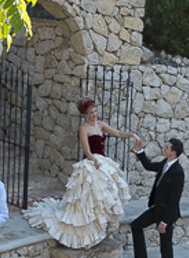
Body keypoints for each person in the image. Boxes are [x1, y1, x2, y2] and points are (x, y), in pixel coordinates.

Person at [24, 99, 137, 249]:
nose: (94, 115)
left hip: (102, 161)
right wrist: (94, 162)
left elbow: (116, 133)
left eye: (95, 111)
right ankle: (87, 231)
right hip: (91, 163)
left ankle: (100, 227)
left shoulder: (101, 124)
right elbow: (86, 151)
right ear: (85, 115)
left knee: (105, 196)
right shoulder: (83, 129)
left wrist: (132, 135)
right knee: (89, 199)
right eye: (91, 113)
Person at [125, 136, 185, 258]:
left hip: (166, 214)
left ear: (173, 153)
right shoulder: (165, 164)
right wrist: (140, 151)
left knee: (165, 248)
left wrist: (165, 221)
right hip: (156, 209)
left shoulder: (178, 172)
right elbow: (148, 165)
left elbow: (174, 200)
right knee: (136, 225)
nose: (164, 148)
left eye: (167, 147)